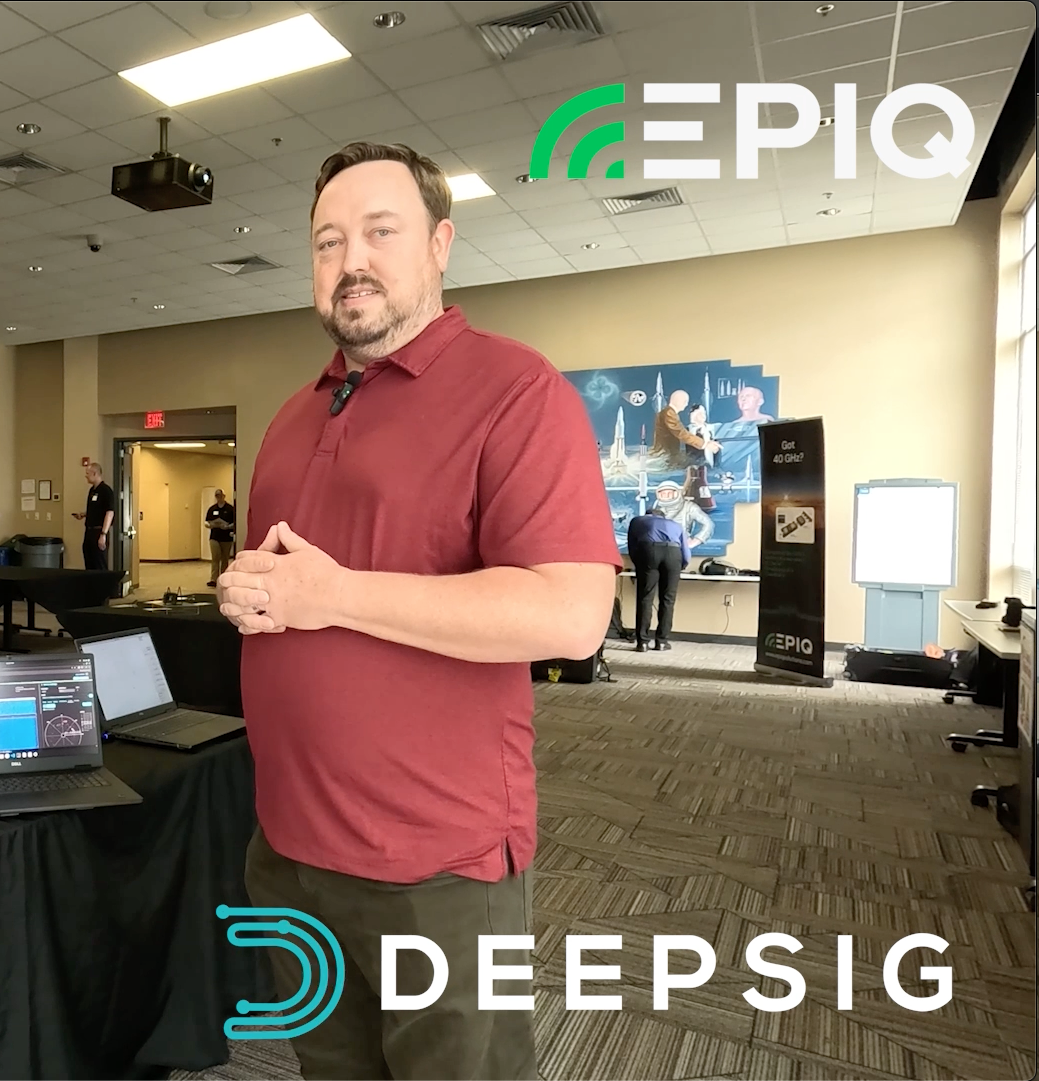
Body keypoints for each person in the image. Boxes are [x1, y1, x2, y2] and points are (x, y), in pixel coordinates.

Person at [216, 141, 617, 1080]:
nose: (349, 259)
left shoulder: (518, 390)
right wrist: (248, 590)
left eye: (379, 232)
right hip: (290, 851)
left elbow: (572, 613)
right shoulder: (293, 415)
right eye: (327, 241)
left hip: (436, 866)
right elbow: (294, 581)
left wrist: (335, 594)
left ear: (439, 245)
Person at [626, 503, 693, 650]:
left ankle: (642, 642)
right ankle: (662, 642)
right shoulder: (675, 524)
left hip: (649, 552)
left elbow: (632, 546)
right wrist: (682, 565)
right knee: (668, 599)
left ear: (647, 514)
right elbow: (685, 551)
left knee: (645, 598)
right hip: (673, 554)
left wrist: (639, 563)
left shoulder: (637, 521)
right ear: (663, 516)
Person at [650, 389, 720, 470]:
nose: (686, 404)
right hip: (666, 455)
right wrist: (705, 444)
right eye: (685, 401)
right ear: (678, 401)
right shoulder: (669, 413)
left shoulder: (669, 413)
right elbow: (681, 433)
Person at [69, 460, 115, 571]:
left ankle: (102, 583)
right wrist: (84, 514)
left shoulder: (106, 491)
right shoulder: (92, 490)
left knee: (99, 564)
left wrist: (103, 534)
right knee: (89, 563)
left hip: (99, 531)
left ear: (95, 473)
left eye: (88, 473)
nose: (86, 476)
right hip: (89, 532)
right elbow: (97, 509)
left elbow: (109, 512)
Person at [204, 488, 236, 585]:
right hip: (214, 536)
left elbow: (235, 523)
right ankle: (214, 579)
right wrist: (210, 525)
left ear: (224, 496)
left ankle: (223, 578)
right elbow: (207, 522)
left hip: (226, 537)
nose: (219, 498)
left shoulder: (230, 509)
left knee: (225, 558)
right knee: (215, 557)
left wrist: (227, 526)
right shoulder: (212, 509)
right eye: (217, 496)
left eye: (220, 496)